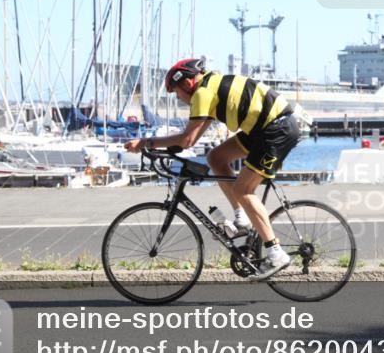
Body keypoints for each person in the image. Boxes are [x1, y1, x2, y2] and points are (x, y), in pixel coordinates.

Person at [125, 58, 301, 280]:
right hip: (261, 129)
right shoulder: (210, 87)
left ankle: (276, 253)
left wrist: (146, 143)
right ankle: (242, 218)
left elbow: (187, 140)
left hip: (275, 130)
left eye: (176, 93)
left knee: (243, 190)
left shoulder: (202, 93)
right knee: (216, 157)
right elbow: (189, 139)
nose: (178, 99)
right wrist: (161, 147)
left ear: (187, 83)